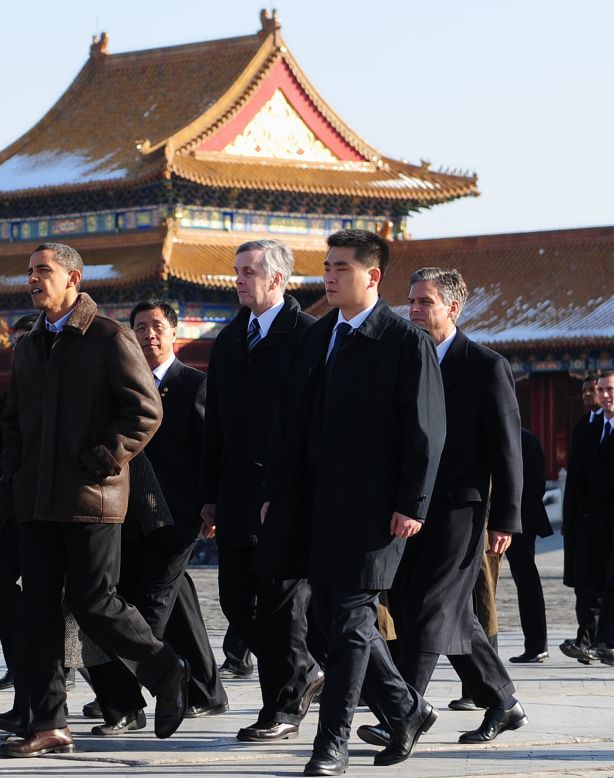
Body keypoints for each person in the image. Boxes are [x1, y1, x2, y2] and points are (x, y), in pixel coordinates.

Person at [0, 242, 189, 758]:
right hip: (36, 500)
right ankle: (48, 723)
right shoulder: (31, 344)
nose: (33, 279)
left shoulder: (108, 336)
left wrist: (105, 458)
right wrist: (16, 472)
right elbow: (14, 419)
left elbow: (145, 411)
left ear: (73, 277)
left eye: (44, 271)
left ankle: (166, 669)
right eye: (30, 271)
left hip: (92, 498)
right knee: (35, 612)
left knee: (94, 602)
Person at [263, 229, 445, 775]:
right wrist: (277, 494)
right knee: (326, 617)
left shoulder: (403, 341)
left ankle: (332, 743)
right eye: (327, 265)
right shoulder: (318, 338)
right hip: (315, 506)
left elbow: (425, 432)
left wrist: (412, 502)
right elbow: (294, 426)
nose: (330, 275)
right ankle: (407, 708)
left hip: (373, 510)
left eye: (342, 266)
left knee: (348, 620)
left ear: (373, 276)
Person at [376, 267, 527, 745]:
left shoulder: (485, 367)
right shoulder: (402, 362)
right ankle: (504, 702)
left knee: (425, 609)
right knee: (446, 614)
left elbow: (507, 450)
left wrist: (505, 518)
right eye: (412, 302)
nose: (415, 311)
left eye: (425, 303)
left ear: (453, 308)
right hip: (409, 507)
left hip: (462, 511)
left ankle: (404, 712)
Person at [84, 300, 228, 736]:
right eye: (140, 327)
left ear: (175, 332)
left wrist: (211, 502)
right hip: (129, 515)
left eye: (157, 326)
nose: (149, 334)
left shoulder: (194, 385)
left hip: (177, 517)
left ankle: (127, 702)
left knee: (148, 608)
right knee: (169, 600)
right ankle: (208, 689)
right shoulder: (121, 387)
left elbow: (211, 451)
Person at [199, 239, 323, 743]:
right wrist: (208, 494)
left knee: (281, 604)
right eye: (236, 271)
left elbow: (315, 424)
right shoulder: (230, 339)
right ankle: (304, 671)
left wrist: (296, 489)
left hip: (285, 491)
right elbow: (215, 427)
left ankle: (284, 707)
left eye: (249, 271)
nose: (239, 279)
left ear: (277, 279)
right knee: (235, 601)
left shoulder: (308, 336)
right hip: (235, 493)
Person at [0, 314, 39, 691]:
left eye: (25, 341)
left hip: (52, 504)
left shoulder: (63, 382)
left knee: (58, 596)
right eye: (15, 342)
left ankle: (114, 689)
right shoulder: (17, 388)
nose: (19, 349)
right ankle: (20, 664)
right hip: (12, 505)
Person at [568, 371, 614, 666]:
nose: (605, 394)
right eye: (603, 389)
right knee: (594, 583)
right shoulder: (595, 426)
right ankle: (596, 640)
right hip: (597, 522)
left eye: (610, 389)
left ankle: (603, 641)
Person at [560, 374, 605, 661]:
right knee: (582, 585)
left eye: (594, 390)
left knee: (597, 586)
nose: (589, 395)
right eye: (585, 391)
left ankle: (591, 639)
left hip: (600, 521)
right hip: (581, 521)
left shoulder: (604, 428)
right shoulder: (583, 426)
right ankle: (585, 637)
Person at [506, 428, 554, 663]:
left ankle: (536, 645)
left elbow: (536, 487)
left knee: (526, 582)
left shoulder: (528, 440)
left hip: (521, 524)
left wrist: (513, 521)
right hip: (498, 520)